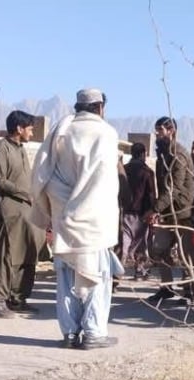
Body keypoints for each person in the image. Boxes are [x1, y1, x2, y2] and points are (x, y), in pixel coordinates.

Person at [31, 88, 123, 349]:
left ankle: (70, 333)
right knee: (97, 278)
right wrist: (82, 206)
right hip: (92, 220)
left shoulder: (61, 130)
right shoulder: (105, 133)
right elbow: (101, 183)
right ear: (101, 108)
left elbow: (42, 173)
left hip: (62, 218)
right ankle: (94, 333)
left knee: (66, 281)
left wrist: (59, 206)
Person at [0, 110, 44, 318]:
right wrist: (24, 193)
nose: (31, 132)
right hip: (10, 211)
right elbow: (0, 180)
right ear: (19, 129)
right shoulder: (1, 148)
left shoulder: (20, 149)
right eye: (29, 128)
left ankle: (18, 298)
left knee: (28, 255)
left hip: (27, 213)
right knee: (7, 256)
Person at [144, 116, 194, 302]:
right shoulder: (163, 155)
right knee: (159, 249)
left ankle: (190, 291)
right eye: (156, 130)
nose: (157, 134)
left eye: (160, 130)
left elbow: (174, 189)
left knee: (186, 254)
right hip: (167, 212)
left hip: (182, 212)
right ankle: (166, 288)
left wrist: (156, 209)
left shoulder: (178, 155)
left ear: (171, 131)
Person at [122, 142, 156, 280]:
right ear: (144, 154)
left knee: (123, 245)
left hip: (124, 212)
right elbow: (151, 194)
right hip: (142, 214)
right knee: (141, 244)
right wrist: (152, 211)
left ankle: (115, 276)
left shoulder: (123, 169)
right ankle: (139, 270)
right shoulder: (147, 172)